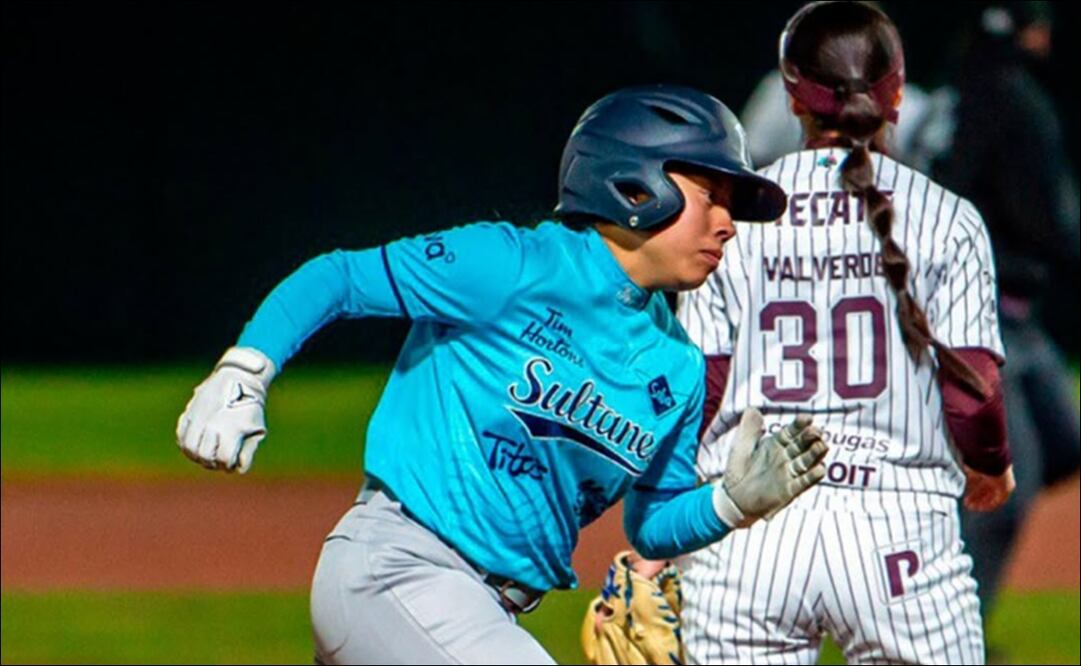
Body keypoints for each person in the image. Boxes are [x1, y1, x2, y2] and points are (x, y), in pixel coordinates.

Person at [174, 84, 830, 665]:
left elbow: (650, 521)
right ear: (635, 187)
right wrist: (244, 370)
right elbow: (339, 277)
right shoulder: (513, 264)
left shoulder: (677, 368)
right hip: (396, 572)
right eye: (709, 196)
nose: (727, 225)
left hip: (480, 614)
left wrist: (730, 503)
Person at [675, 3, 1014, 663]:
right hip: (898, 538)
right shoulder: (945, 217)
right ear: (895, 92)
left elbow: (700, 385)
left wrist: (667, 525)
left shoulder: (733, 219)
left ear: (790, 95)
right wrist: (990, 464)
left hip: (748, 529)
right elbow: (971, 391)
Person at [936, 1, 1081, 619]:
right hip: (984, 315)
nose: (1046, 34)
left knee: (1064, 443)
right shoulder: (1013, 101)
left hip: (1014, 316)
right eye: (1036, 23)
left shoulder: (956, 99)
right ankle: (956, 630)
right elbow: (1045, 218)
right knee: (1007, 493)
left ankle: (947, 505)